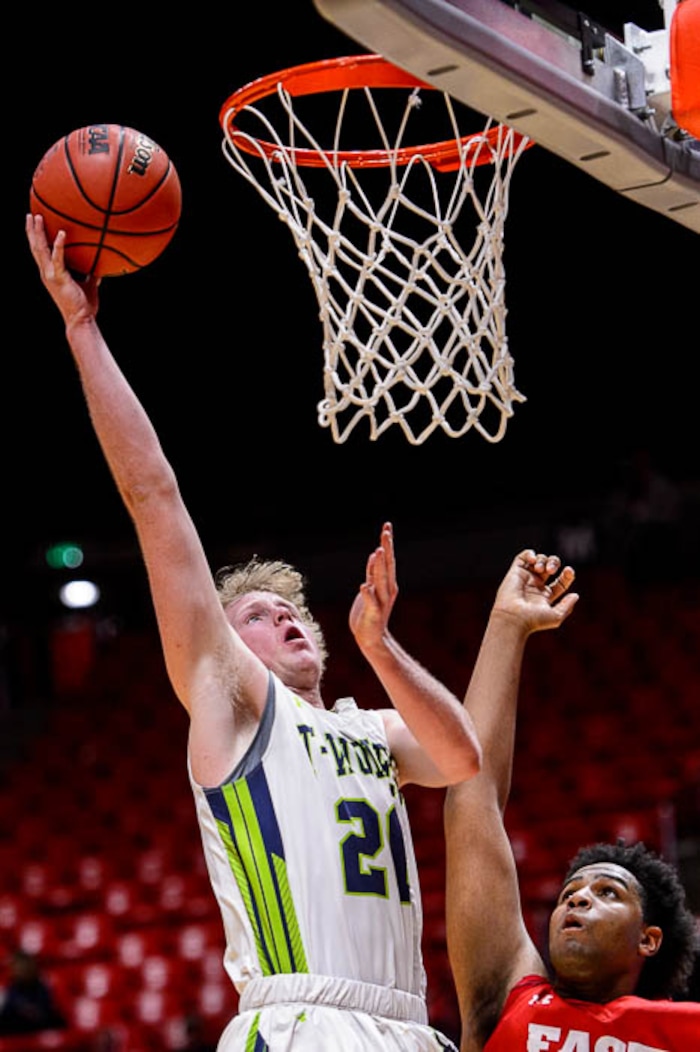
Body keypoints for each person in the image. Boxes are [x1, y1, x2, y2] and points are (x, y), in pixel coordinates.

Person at [25, 213, 483, 1051]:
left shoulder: (369, 729)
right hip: (302, 1018)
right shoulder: (234, 701)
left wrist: (381, 648)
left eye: (293, 612)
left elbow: (461, 758)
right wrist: (83, 331)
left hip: (408, 1023)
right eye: (256, 618)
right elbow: (154, 496)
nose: (283, 618)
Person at [443, 549, 700, 1050]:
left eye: (608, 894)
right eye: (569, 895)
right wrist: (506, 626)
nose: (577, 898)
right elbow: (473, 796)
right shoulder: (507, 998)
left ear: (648, 939)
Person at [0, 948, 66, 1036]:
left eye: (24, 966)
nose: (21, 970)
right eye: (17, 967)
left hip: (41, 1035)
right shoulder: (10, 991)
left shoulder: (44, 988)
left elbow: (49, 1016)